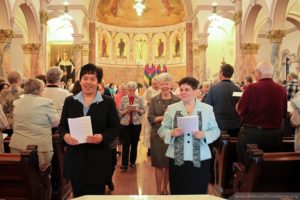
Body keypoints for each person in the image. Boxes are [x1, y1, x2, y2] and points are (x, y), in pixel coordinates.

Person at [58, 63, 120, 197]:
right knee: (78, 196)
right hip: (75, 158)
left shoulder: (107, 102)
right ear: (80, 80)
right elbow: (62, 126)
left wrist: (103, 137)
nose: (88, 82)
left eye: (92, 78)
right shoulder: (70, 101)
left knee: (96, 197)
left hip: (98, 159)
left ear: (98, 82)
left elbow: (115, 127)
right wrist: (65, 136)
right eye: (85, 78)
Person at [158, 77, 220, 194]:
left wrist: (204, 134)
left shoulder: (207, 109)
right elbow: (162, 129)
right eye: (181, 90)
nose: (183, 92)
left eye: (187, 90)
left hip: (200, 158)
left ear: (196, 91)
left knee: (198, 190)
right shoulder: (172, 109)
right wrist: (171, 133)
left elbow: (215, 130)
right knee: (178, 190)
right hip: (177, 157)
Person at [236, 61, 287, 162]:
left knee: (247, 167)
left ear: (258, 73)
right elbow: (283, 113)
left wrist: (237, 106)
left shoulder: (251, 88)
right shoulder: (281, 90)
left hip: (252, 135)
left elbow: (241, 110)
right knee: (271, 166)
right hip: (275, 135)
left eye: (254, 72)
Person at [9, 78, 60, 171]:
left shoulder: (17, 102)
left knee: (23, 175)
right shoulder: (46, 102)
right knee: (39, 175)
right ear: (39, 90)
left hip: (17, 147)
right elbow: (56, 123)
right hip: (39, 150)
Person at [147, 73, 180, 194]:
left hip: (172, 135)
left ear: (171, 84)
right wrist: (164, 116)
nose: (165, 86)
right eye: (162, 84)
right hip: (157, 135)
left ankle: (165, 188)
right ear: (159, 85)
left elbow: (179, 119)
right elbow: (150, 118)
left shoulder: (178, 100)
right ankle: (157, 191)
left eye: (167, 83)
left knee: (169, 164)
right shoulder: (154, 99)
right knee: (159, 164)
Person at [204, 64, 241, 137]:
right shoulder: (238, 89)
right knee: (231, 148)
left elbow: (207, 106)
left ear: (221, 73)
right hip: (235, 126)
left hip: (218, 125)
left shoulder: (214, 89)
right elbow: (240, 106)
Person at [119, 81, 145, 170]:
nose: (131, 92)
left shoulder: (140, 99)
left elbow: (143, 111)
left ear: (135, 90)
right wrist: (125, 111)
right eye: (129, 90)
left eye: (133, 90)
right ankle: (124, 164)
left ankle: (132, 162)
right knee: (126, 143)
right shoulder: (124, 99)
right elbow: (119, 112)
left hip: (136, 124)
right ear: (127, 90)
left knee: (134, 143)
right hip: (125, 124)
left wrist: (137, 110)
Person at [0, 70, 24, 136]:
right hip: (18, 123)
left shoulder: (3, 93)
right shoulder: (23, 92)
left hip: (5, 123)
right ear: (19, 79)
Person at [142, 77, 161, 156]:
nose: (155, 85)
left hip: (160, 114)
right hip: (150, 113)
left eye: (156, 84)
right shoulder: (148, 90)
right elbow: (143, 100)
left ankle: (158, 148)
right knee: (149, 131)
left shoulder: (162, 90)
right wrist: (147, 102)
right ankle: (149, 148)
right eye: (153, 84)